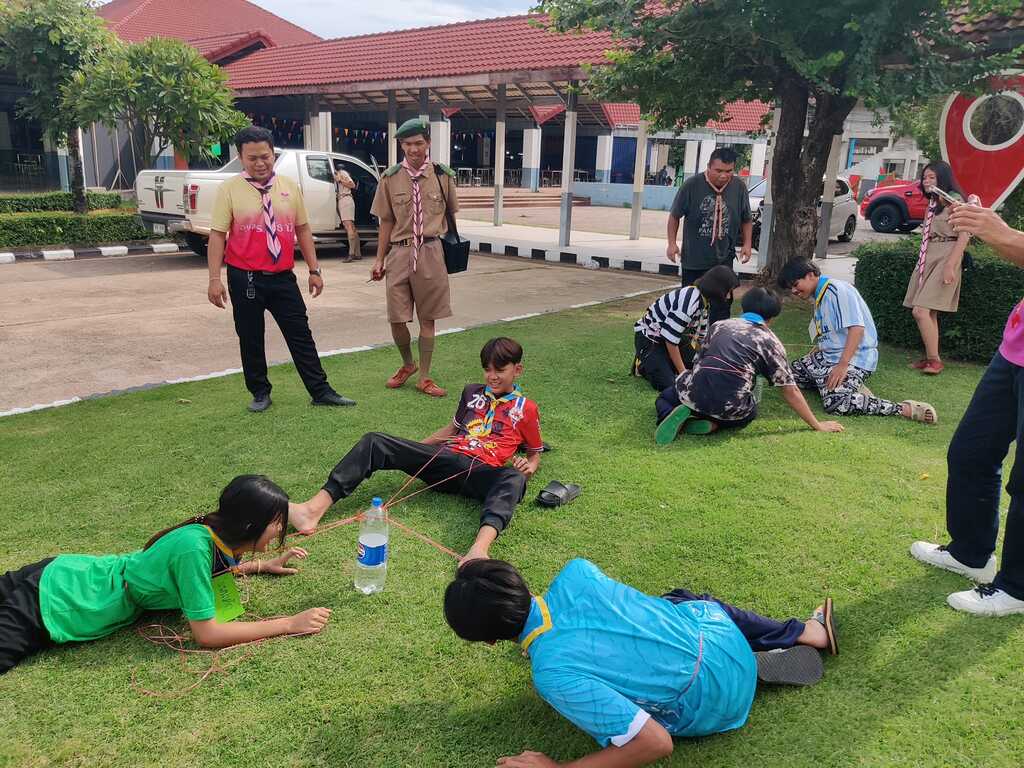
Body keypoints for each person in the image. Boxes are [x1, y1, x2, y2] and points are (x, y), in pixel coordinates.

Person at [444, 558, 838, 768]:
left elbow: (655, 743)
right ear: (516, 580)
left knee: (644, 673)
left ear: (490, 640)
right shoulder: (578, 572)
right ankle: (800, 634)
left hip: (713, 705)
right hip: (720, 639)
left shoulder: (552, 672)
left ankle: (743, 670)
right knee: (680, 600)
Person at [0, 475, 332, 675]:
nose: (280, 529)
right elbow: (208, 634)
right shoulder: (194, 549)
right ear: (249, 525)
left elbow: (201, 574)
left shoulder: (210, 535)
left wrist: (260, 565)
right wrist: (289, 624)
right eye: (277, 522)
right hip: (59, 600)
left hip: (68, 572)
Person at [288, 337, 542, 565]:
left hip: (482, 473)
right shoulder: (471, 392)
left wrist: (527, 469)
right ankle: (311, 510)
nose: (492, 376)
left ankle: (478, 549)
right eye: (487, 369)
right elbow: (450, 430)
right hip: (447, 460)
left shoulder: (526, 409)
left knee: (513, 478)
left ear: (517, 369)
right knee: (375, 441)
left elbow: (534, 454)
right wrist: (413, 452)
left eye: (500, 370)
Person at [911, 203, 1024, 616]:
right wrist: (992, 231)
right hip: (1014, 351)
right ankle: (971, 554)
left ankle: (1017, 588)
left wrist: (1003, 233)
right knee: (970, 453)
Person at [207, 126, 356, 413]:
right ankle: (260, 392)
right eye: (252, 158)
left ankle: (321, 391)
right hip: (245, 277)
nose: (260, 163)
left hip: (283, 277)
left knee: (300, 334)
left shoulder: (289, 187)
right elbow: (217, 235)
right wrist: (215, 279)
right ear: (240, 157)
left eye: (265, 156)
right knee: (250, 336)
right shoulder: (229, 189)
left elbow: (303, 229)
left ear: (273, 154)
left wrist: (314, 270)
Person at [654, 287, 844, 444]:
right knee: (750, 413)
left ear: (744, 306)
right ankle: (712, 425)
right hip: (730, 407)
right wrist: (817, 425)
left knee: (663, 398)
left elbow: (698, 362)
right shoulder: (771, 342)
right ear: (772, 317)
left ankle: (671, 413)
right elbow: (790, 390)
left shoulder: (719, 326)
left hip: (694, 394)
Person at [777, 259, 937, 424]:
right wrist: (819, 349)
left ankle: (904, 409)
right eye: (791, 288)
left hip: (854, 359)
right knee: (788, 375)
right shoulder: (820, 294)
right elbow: (833, 331)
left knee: (836, 404)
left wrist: (842, 366)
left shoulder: (837, 290)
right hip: (829, 357)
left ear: (810, 275)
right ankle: (844, 387)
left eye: (795, 284)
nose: (794, 291)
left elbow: (857, 329)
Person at [370, 117, 459, 398]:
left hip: (431, 250)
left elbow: (451, 215)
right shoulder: (390, 178)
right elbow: (386, 221)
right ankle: (408, 364)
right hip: (399, 252)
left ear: (428, 143)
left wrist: (452, 248)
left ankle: (424, 377)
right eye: (407, 144)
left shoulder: (443, 176)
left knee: (428, 318)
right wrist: (379, 259)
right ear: (401, 146)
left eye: (418, 143)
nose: (413, 149)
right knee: (396, 317)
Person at [902, 161, 976, 375]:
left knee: (920, 311)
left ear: (942, 179)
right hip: (929, 255)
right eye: (925, 177)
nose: (927, 181)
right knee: (929, 311)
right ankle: (931, 357)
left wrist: (951, 265)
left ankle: (934, 361)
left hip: (946, 255)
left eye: (932, 177)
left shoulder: (954, 201)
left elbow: (965, 235)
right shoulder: (934, 203)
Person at [666, 147, 753, 324]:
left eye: (729, 171)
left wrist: (747, 244)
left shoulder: (739, 187)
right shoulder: (692, 185)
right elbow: (674, 216)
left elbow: (746, 219)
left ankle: (717, 337)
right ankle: (689, 339)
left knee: (721, 306)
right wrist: (672, 243)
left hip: (723, 260)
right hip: (694, 260)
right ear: (709, 167)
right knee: (690, 306)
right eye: (718, 171)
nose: (724, 176)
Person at [631, 265, 739, 391]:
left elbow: (701, 339)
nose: (728, 296)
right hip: (651, 339)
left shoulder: (704, 302)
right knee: (669, 384)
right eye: (728, 291)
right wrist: (683, 373)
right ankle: (643, 364)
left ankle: (663, 362)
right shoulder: (689, 301)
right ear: (718, 288)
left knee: (699, 368)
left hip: (676, 339)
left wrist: (714, 362)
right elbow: (670, 340)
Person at [333, 162, 362, 263]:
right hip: (344, 200)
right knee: (352, 227)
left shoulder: (342, 173)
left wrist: (340, 180)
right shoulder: (340, 173)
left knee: (348, 226)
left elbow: (352, 185)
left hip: (345, 199)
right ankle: (357, 253)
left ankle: (351, 254)